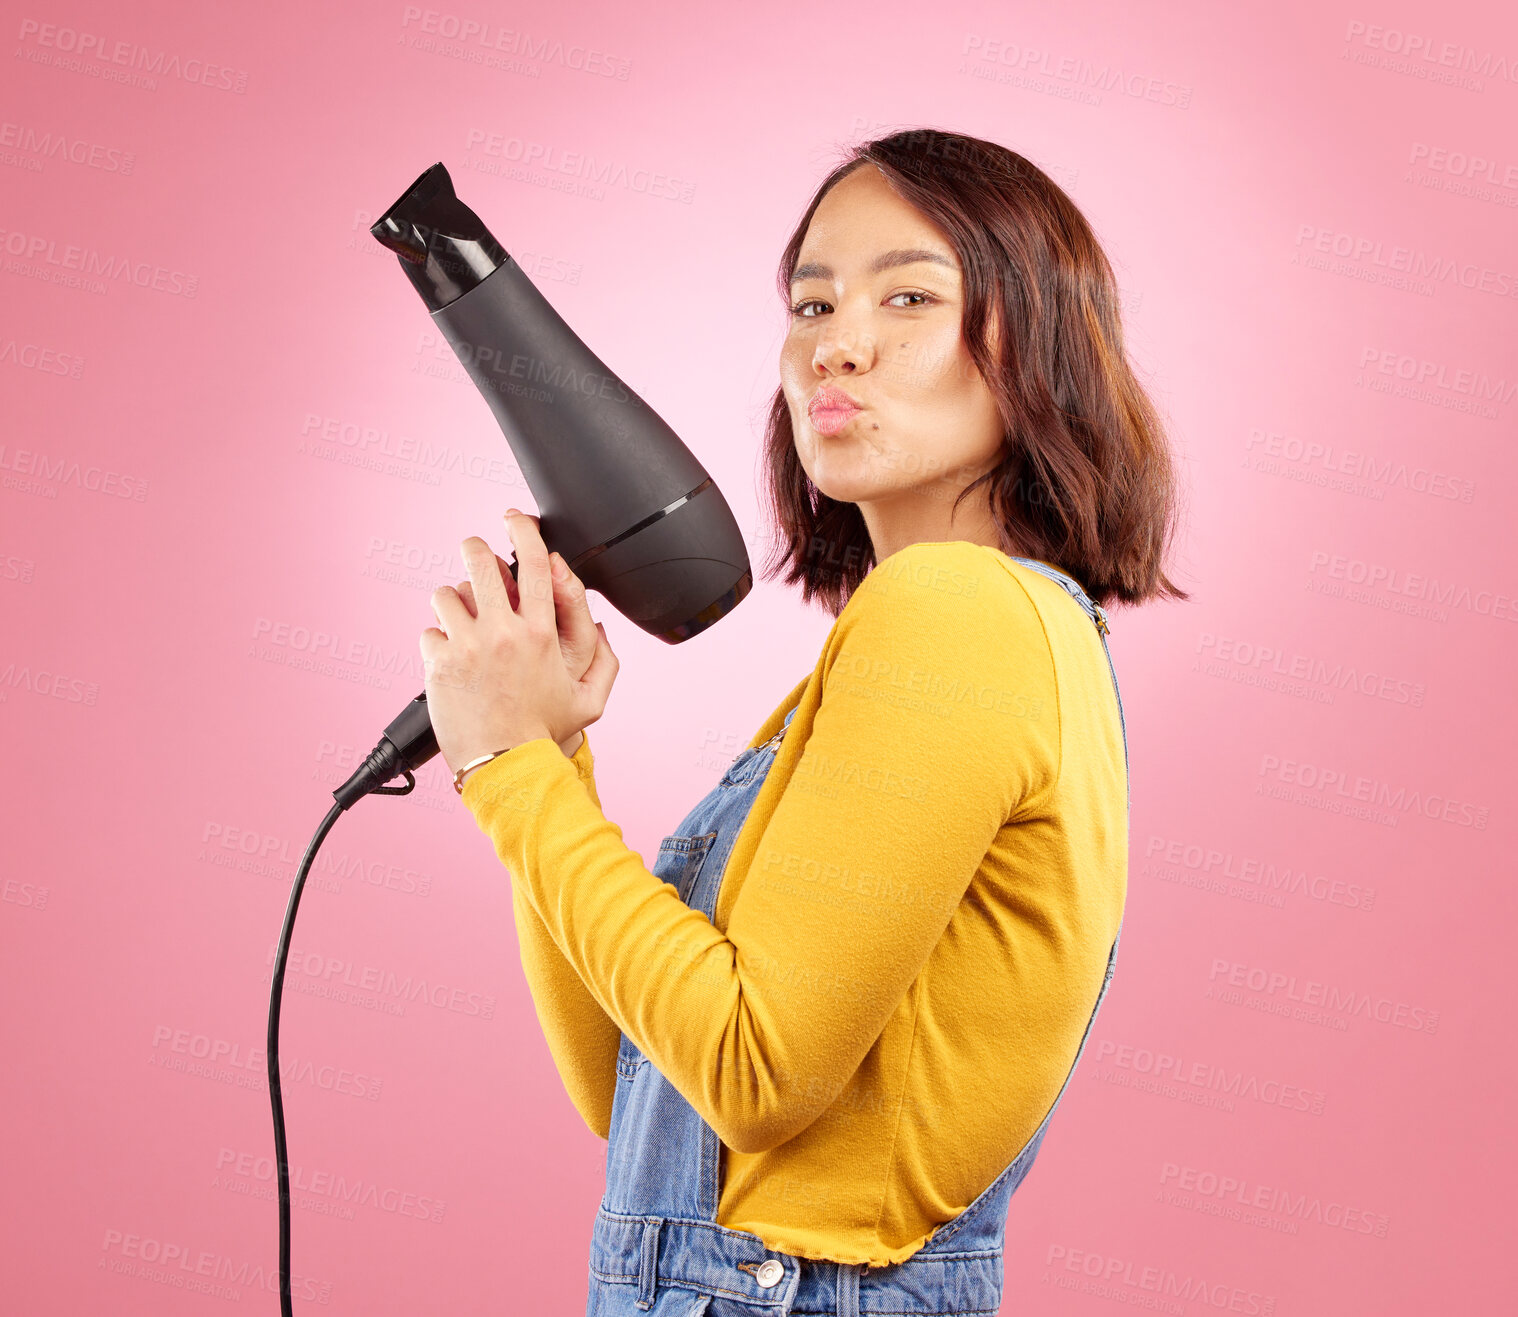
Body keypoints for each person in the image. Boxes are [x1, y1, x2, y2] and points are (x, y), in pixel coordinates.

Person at [422, 126, 1188, 1317]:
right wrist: (555, 760)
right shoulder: (941, 633)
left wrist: (506, 766)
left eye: (911, 296)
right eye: (812, 301)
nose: (841, 341)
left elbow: (752, 1073)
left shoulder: (955, 612)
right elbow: (640, 1092)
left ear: (1035, 347)